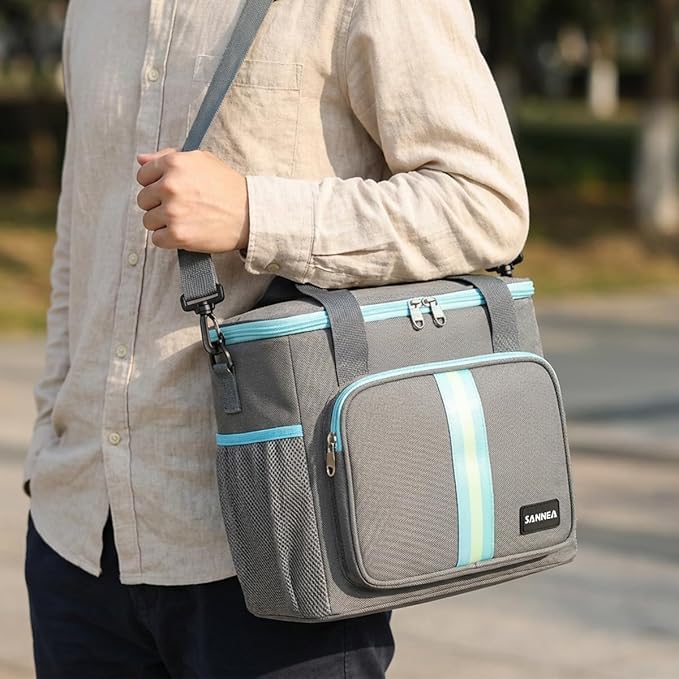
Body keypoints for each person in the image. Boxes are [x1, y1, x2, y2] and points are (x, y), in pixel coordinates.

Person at [23, 1, 529, 677]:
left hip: (280, 542)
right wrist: (50, 438)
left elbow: (485, 204)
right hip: (76, 541)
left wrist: (254, 212)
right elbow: (80, 232)